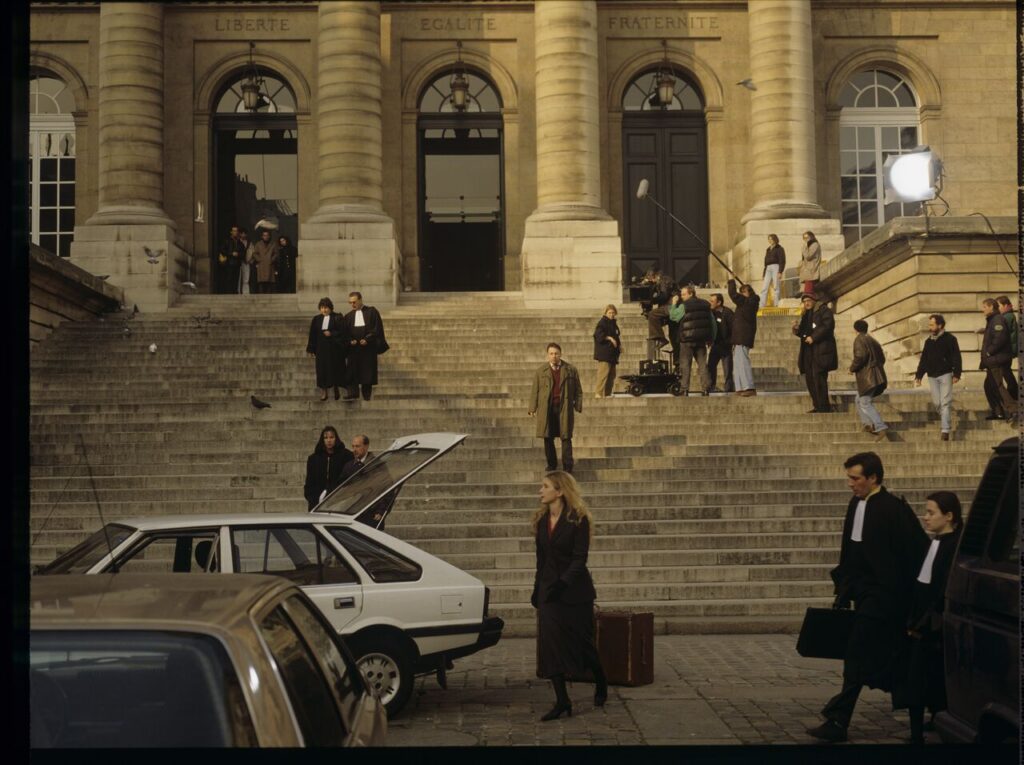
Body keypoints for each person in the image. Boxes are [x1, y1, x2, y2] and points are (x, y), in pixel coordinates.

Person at [805, 452, 929, 743]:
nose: (850, 484)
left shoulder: (893, 509)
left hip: (885, 598)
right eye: (849, 478)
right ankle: (923, 712)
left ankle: (838, 719)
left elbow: (914, 553)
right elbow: (851, 550)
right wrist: (844, 588)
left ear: (873, 478)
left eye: (855, 478)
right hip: (863, 593)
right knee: (883, 658)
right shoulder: (855, 503)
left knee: (857, 654)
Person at [531, 471, 608, 721]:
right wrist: (537, 588)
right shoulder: (541, 520)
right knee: (550, 645)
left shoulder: (578, 519)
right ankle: (562, 701)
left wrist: (563, 584)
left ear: (560, 491)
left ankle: (601, 681)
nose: (540, 491)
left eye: (545, 486)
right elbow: (541, 560)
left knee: (583, 645)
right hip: (549, 593)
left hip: (575, 592)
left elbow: (579, 559)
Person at [891, 491, 963, 745]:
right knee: (919, 678)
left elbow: (940, 588)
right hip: (922, 622)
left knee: (924, 679)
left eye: (931, 513)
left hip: (934, 626)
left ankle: (920, 731)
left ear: (949, 516)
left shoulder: (953, 545)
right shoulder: (935, 542)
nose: (926, 517)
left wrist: (923, 622)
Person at [528, 343, 582, 474]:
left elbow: (578, 390)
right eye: (551, 353)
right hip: (547, 408)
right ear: (547, 355)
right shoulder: (541, 371)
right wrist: (532, 408)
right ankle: (551, 464)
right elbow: (535, 391)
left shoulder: (570, 369)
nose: (554, 356)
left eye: (556, 353)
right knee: (548, 437)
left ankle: (568, 465)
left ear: (560, 354)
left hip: (564, 407)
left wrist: (578, 404)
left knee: (566, 436)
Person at [914, 314, 962, 441]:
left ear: (940, 325)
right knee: (937, 403)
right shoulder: (928, 341)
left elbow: (956, 356)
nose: (929, 327)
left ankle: (945, 430)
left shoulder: (950, 339)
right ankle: (946, 418)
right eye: (929, 324)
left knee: (945, 402)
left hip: (945, 373)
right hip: (932, 375)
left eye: (932, 324)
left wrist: (957, 373)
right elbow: (924, 359)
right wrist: (919, 375)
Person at [793, 291, 837, 413]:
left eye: (808, 301)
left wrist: (814, 337)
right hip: (808, 352)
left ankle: (824, 407)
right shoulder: (806, 314)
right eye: (804, 302)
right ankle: (817, 405)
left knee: (819, 379)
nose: (806, 304)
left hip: (821, 351)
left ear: (814, 301)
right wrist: (796, 330)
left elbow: (828, 326)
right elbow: (803, 332)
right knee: (810, 380)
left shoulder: (823, 310)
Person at [341, 292, 387, 401]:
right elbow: (345, 333)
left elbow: (377, 328)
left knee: (367, 371)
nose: (352, 304)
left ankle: (366, 395)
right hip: (354, 349)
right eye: (350, 302)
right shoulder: (348, 316)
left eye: (354, 302)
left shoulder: (371, 312)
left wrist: (367, 339)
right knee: (352, 370)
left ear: (360, 300)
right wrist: (350, 341)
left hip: (368, 348)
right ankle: (353, 393)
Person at [850, 320, 889, 441]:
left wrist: (852, 368)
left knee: (865, 402)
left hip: (868, 377)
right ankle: (867, 424)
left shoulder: (859, 340)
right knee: (858, 399)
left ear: (855, 329)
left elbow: (860, 356)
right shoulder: (873, 340)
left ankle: (880, 426)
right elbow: (882, 358)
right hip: (877, 375)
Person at [979, 298, 1017, 421]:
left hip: (997, 359)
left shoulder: (997, 319)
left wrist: (989, 352)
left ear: (991, 307)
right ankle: (998, 412)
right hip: (993, 359)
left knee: (997, 385)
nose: (982, 310)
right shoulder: (992, 320)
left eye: (984, 307)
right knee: (988, 386)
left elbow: (1000, 339)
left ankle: (1014, 410)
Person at [677, 285, 716, 396]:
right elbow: (712, 323)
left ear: (691, 293)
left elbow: (674, 317)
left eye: (684, 294)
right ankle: (705, 389)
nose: (682, 297)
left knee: (685, 365)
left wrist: (675, 304)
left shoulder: (683, 305)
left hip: (686, 340)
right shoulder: (705, 304)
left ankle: (684, 389)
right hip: (701, 340)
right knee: (703, 365)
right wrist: (711, 338)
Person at [306, 297, 347, 401]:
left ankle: (336, 388)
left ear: (331, 308)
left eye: (326, 308)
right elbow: (312, 335)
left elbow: (343, 332)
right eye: (322, 308)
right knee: (322, 370)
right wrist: (310, 349)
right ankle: (324, 392)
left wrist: (332, 334)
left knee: (335, 369)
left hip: (335, 349)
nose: (324, 310)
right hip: (321, 350)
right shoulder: (316, 319)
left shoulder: (337, 317)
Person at [303, 425, 353, 510]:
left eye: (331, 437)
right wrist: (312, 498)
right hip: (317, 502)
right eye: (326, 438)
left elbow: (349, 479)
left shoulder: (346, 456)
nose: (329, 440)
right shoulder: (314, 458)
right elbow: (309, 481)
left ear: (336, 438)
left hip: (339, 501)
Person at [727, 278, 759, 396]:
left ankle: (749, 386)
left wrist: (731, 282)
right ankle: (740, 387)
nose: (741, 294)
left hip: (743, 337)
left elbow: (733, 295)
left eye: (743, 292)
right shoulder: (745, 303)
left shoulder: (750, 302)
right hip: (738, 337)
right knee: (738, 363)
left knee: (743, 362)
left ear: (749, 293)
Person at [645, 270, 677, 361]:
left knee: (652, 314)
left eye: (650, 278)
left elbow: (664, 296)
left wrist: (651, 299)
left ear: (654, 276)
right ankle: (677, 361)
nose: (650, 281)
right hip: (669, 306)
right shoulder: (661, 282)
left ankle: (660, 338)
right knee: (673, 335)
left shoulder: (664, 280)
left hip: (671, 306)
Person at [707, 293, 734, 393]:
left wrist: (730, 342)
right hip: (715, 344)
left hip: (726, 345)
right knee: (710, 367)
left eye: (712, 301)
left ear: (719, 302)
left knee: (727, 370)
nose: (710, 303)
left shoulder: (728, 313)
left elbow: (734, 328)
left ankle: (729, 388)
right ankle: (711, 386)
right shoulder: (711, 313)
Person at [593, 305, 621, 398]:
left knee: (611, 375)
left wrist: (620, 346)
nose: (612, 314)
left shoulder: (613, 323)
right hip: (604, 353)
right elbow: (598, 335)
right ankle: (598, 393)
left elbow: (617, 336)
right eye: (610, 312)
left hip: (612, 354)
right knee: (603, 374)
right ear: (605, 313)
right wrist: (609, 338)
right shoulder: (602, 323)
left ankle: (608, 393)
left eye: (613, 313)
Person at [995, 295, 1019, 400]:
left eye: (998, 305)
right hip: (1007, 351)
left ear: (1005, 305)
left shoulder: (1007, 317)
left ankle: (1014, 396)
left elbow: (1000, 332)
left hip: (1006, 351)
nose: (997, 308)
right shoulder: (1007, 316)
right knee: (1006, 373)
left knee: (1007, 374)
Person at [216, 225, 243, 295]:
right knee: (229, 279)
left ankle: (234, 293)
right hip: (229, 263)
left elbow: (243, 252)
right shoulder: (227, 241)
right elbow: (222, 250)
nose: (235, 232)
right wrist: (231, 253)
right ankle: (229, 294)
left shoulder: (240, 243)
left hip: (237, 263)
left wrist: (238, 254)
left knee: (236, 280)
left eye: (236, 231)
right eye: (234, 231)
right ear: (231, 232)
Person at [760, 234, 786, 307]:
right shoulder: (768, 249)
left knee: (776, 286)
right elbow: (765, 262)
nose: (770, 241)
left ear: (775, 239)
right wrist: (764, 273)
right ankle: (762, 305)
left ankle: (776, 304)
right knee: (764, 287)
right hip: (768, 268)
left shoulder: (779, 248)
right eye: (769, 239)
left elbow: (782, 261)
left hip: (776, 267)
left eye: (771, 239)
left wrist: (780, 271)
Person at [251, 229, 279, 294]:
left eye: (267, 235)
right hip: (261, 265)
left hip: (269, 264)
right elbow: (254, 253)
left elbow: (276, 253)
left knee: (269, 281)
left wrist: (272, 259)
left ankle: (268, 295)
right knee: (261, 281)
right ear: (262, 236)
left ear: (269, 236)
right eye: (264, 235)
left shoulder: (273, 244)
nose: (266, 237)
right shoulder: (258, 244)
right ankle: (261, 295)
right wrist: (259, 259)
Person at [799, 231, 822, 296]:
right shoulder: (808, 245)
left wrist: (804, 248)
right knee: (805, 291)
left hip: (811, 270)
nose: (806, 239)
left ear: (811, 237)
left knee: (809, 291)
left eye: (807, 237)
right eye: (804, 238)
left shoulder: (815, 244)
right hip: (807, 270)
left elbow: (808, 256)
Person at [237, 228, 254, 294]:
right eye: (242, 233)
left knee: (246, 279)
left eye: (244, 233)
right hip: (238, 262)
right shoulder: (237, 242)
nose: (243, 235)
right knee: (238, 278)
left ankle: (246, 293)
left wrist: (250, 260)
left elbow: (253, 252)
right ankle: (238, 292)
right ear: (240, 234)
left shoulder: (249, 243)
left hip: (246, 262)